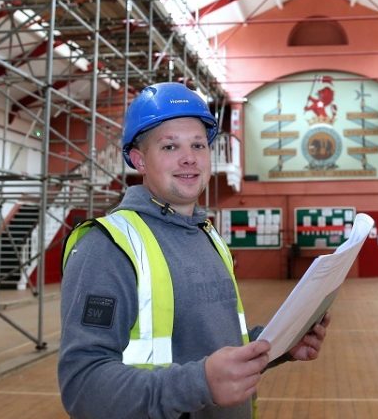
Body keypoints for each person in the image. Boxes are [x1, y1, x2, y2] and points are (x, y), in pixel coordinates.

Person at [58, 82, 330, 419]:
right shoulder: (108, 247)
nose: (189, 158)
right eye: (170, 146)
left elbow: (214, 346)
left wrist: (280, 345)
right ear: (139, 160)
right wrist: (199, 383)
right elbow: (83, 387)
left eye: (198, 145)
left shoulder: (208, 237)